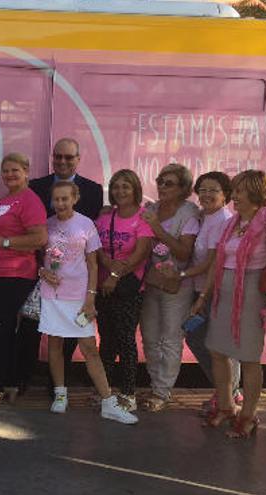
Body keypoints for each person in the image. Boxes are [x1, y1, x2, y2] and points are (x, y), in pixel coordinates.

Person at [192, 170, 266, 438]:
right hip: (223, 291)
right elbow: (217, 262)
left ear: (256, 192)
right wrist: (203, 296)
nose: (234, 195)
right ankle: (226, 407)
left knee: (248, 357)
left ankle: (248, 414)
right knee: (216, 350)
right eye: (234, 190)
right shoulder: (232, 221)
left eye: (239, 190)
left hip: (250, 292)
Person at [38, 181, 137, 424]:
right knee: (55, 344)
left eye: (65, 199)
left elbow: (93, 264)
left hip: (79, 296)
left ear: (75, 198)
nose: (60, 204)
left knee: (89, 348)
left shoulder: (86, 224)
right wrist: (43, 271)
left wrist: (90, 297)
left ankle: (108, 402)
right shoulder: (47, 224)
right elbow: (39, 257)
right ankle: (60, 395)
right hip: (53, 295)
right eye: (56, 199)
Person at [24, 137, 104, 396]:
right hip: (45, 282)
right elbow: (33, 237)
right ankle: (29, 382)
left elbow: (89, 249)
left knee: (77, 343)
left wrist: (91, 294)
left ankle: (60, 387)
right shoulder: (36, 187)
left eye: (68, 157)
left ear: (78, 159)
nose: (62, 161)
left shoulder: (93, 190)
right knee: (38, 335)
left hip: (78, 286)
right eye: (58, 156)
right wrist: (40, 268)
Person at [0, 152, 47, 409]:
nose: (9, 175)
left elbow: (39, 238)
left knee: (0, 330)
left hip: (16, 273)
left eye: (14, 170)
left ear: (26, 171)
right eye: (5, 171)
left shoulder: (29, 200)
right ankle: (9, 381)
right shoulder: (4, 200)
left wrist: (4, 242)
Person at [139, 163, 200, 412]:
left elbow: (184, 252)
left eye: (169, 183)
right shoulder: (151, 208)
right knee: (150, 337)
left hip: (178, 285)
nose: (162, 186)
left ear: (184, 188)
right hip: (151, 282)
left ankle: (163, 392)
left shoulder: (189, 213)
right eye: (160, 181)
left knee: (171, 339)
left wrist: (156, 228)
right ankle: (155, 385)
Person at [181, 172, 241, 415]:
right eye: (202, 189)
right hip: (200, 289)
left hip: (217, 291)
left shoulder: (225, 221)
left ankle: (230, 391)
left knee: (219, 344)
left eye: (213, 190)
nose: (206, 194)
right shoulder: (202, 217)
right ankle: (225, 390)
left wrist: (182, 277)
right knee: (197, 337)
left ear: (225, 194)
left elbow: (212, 264)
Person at [95, 169, 154, 412]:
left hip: (129, 288)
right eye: (116, 186)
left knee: (126, 340)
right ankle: (105, 392)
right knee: (106, 341)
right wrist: (108, 269)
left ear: (135, 190)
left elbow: (140, 254)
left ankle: (128, 393)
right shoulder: (105, 217)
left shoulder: (143, 218)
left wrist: (116, 275)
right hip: (103, 286)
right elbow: (95, 246)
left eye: (126, 187)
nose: (120, 191)